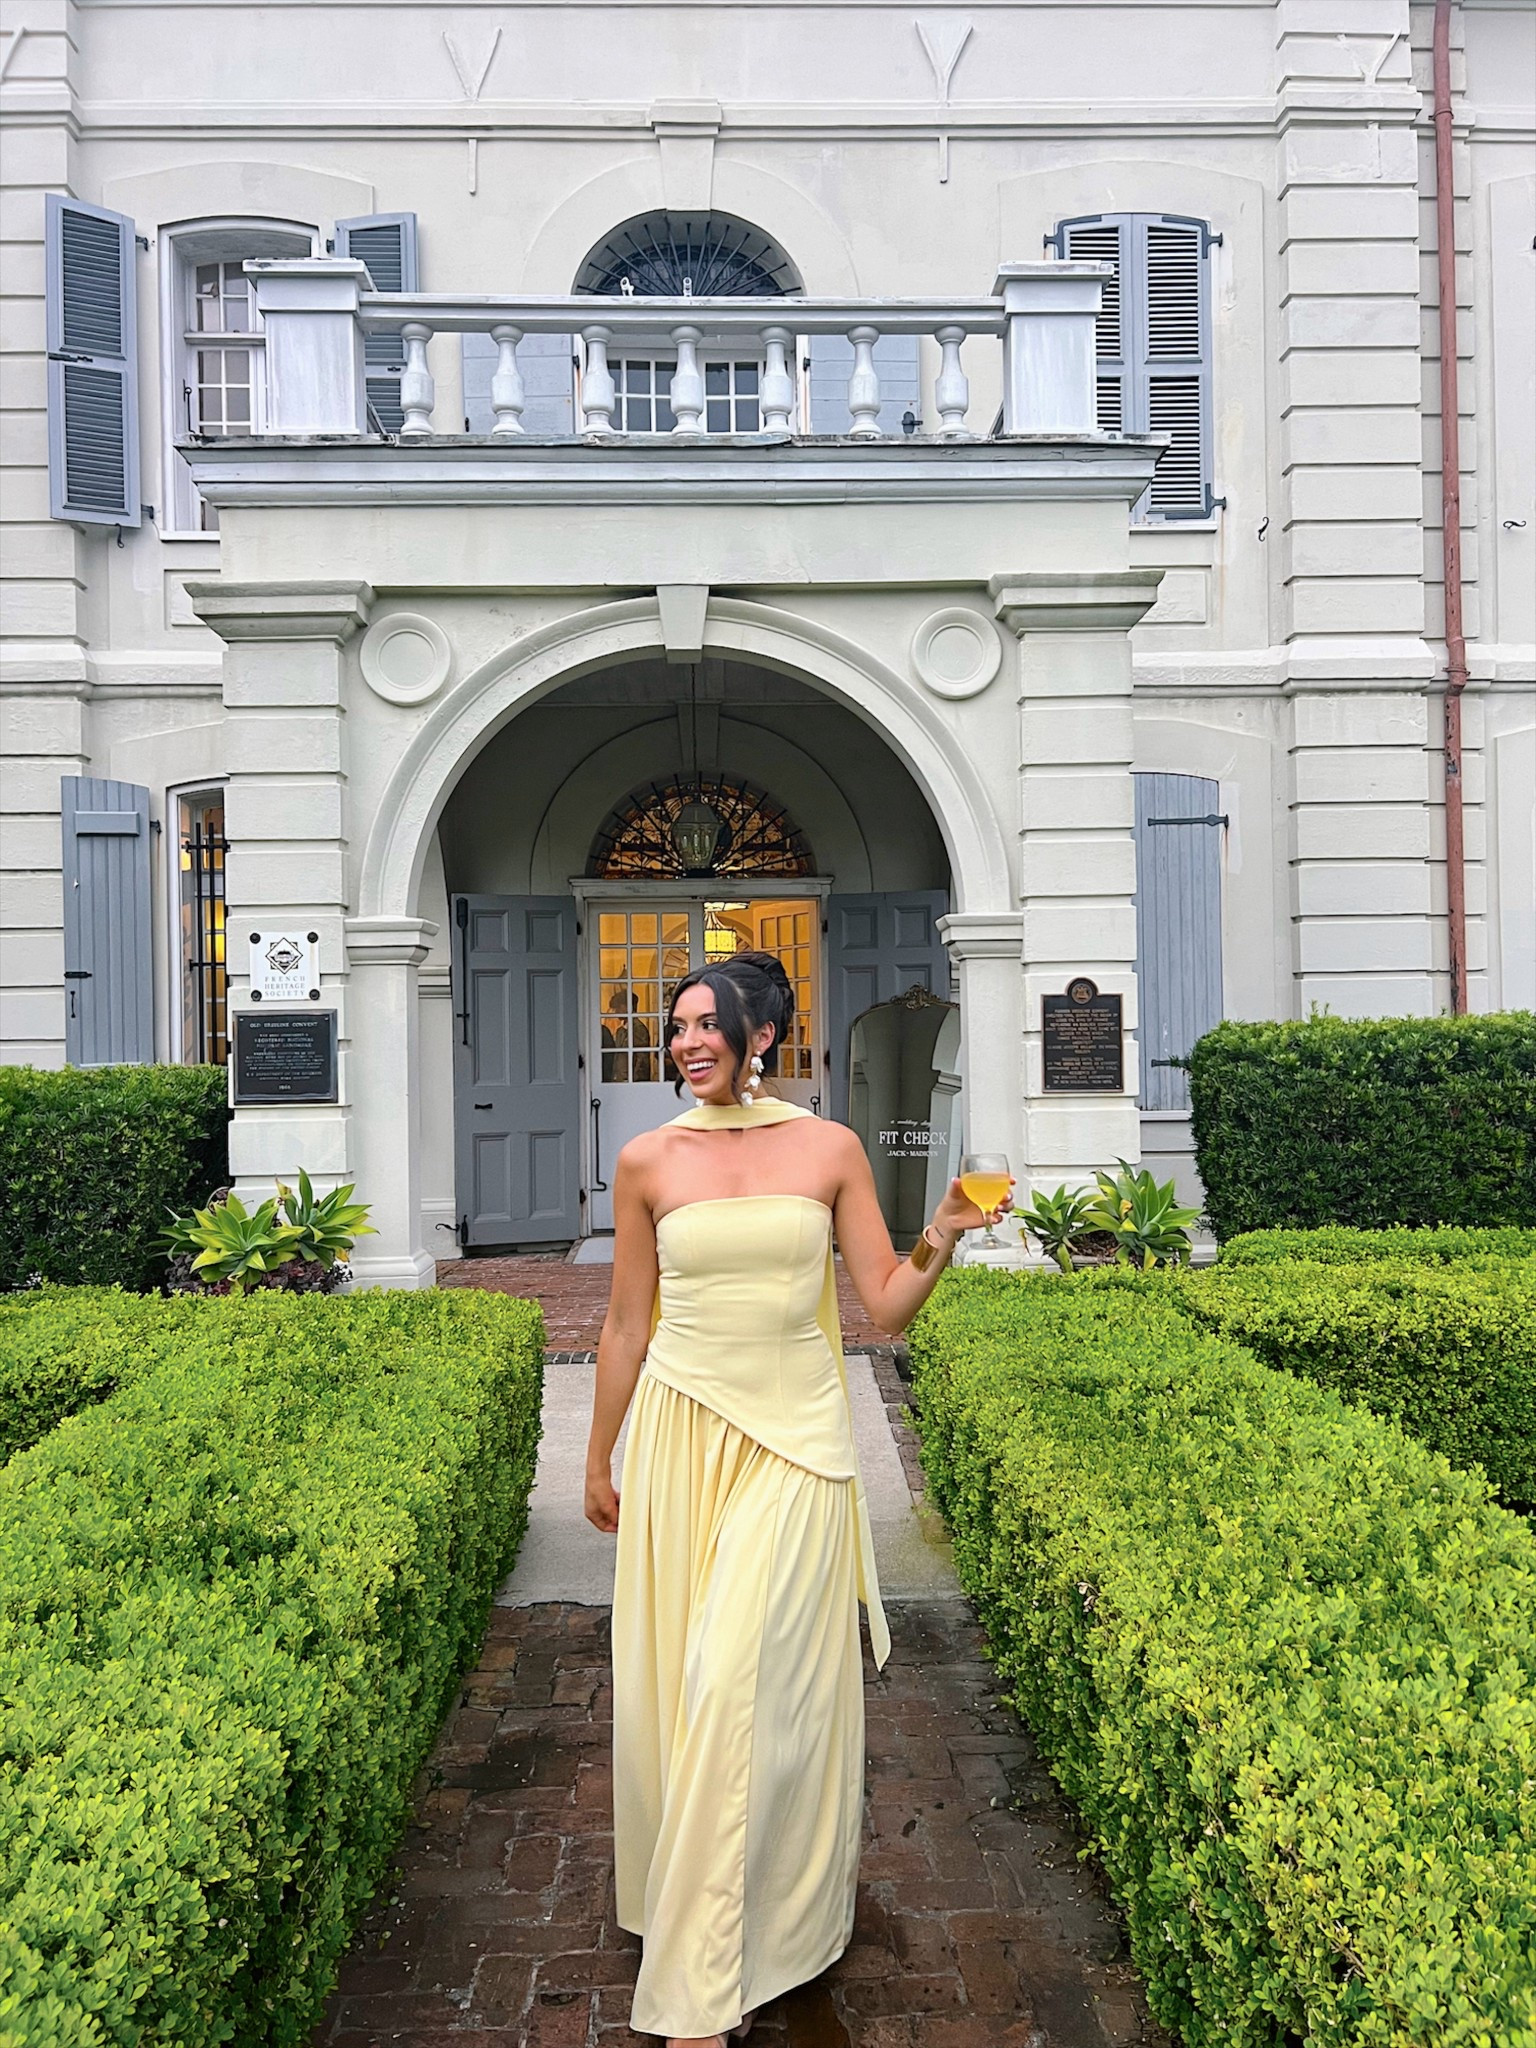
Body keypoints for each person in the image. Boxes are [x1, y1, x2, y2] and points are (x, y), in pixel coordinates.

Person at [585, 949, 1009, 2048]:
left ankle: (701, 1991)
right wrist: (601, 1454)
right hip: (682, 1437)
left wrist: (945, 1234)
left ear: (759, 1034)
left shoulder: (829, 1148)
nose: (683, 1041)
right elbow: (628, 1324)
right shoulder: (645, 1158)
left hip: (798, 1442)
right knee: (686, 1685)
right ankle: (714, 1903)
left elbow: (883, 1302)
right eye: (673, 1024)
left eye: (703, 1023)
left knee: (737, 1678)